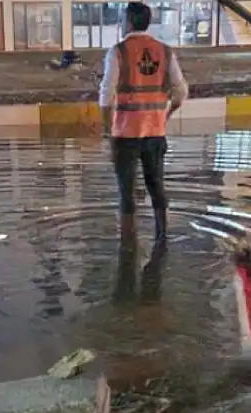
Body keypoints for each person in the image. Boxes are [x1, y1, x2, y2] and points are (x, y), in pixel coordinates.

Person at [99, 2, 189, 240]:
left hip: (125, 135)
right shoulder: (165, 51)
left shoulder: (118, 52)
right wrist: (166, 114)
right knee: (156, 186)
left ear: (128, 21)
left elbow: (106, 94)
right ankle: (162, 235)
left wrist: (107, 129)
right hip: (155, 132)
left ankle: (128, 243)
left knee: (126, 192)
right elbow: (180, 91)